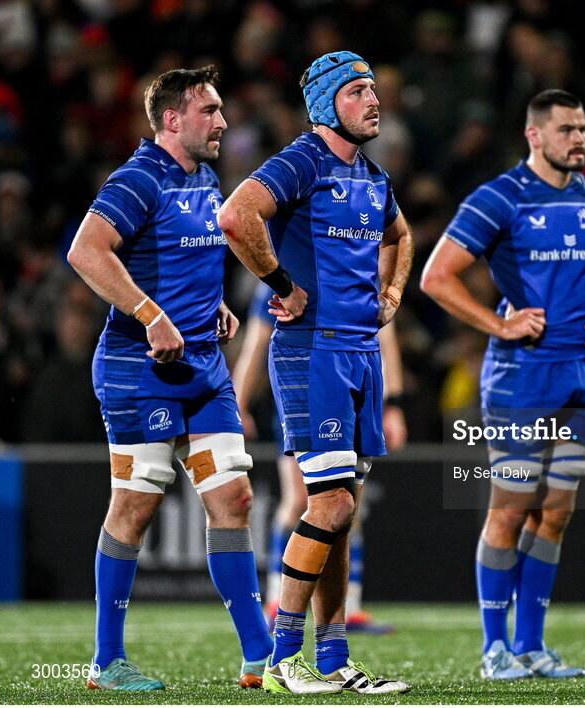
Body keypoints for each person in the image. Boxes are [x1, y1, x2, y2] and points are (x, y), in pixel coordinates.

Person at [67, 66, 272, 690]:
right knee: (134, 508)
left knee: (233, 498)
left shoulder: (206, 179)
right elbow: (86, 252)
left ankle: (260, 655)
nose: (223, 122)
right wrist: (152, 314)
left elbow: (181, 258)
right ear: (172, 120)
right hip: (140, 372)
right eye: (209, 111)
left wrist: (210, 304)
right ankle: (107, 662)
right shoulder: (137, 180)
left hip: (203, 371)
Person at [218, 51, 413, 695]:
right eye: (359, 91)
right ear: (329, 104)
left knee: (342, 509)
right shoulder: (302, 160)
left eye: (374, 88)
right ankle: (284, 659)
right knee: (326, 502)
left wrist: (392, 295)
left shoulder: (371, 175)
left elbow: (401, 237)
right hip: (312, 352)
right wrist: (281, 284)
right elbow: (235, 216)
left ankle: (332, 662)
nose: (374, 101)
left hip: (358, 352)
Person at [422, 89, 585, 680]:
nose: (578, 139)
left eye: (582, 129)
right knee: (510, 509)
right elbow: (436, 276)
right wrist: (498, 324)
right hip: (520, 377)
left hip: (580, 375)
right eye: (565, 130)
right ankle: (493, 649)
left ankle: (531, 646)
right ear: (534, 136)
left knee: (554, 512)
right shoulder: (499, 197)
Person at [230, 282, 405, 634]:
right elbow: (257, 342)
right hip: (305, 389)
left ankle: (348, 608)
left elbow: (386, 340)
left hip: (357, 388)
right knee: (300, 503)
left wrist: (393, 405)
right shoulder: (285, 278)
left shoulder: (360, 272)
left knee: (347, 508)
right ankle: (277, 601)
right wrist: (239, 402)